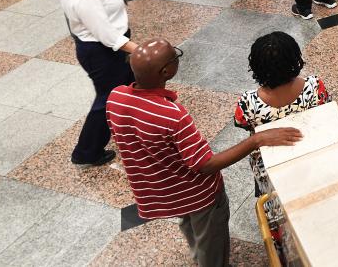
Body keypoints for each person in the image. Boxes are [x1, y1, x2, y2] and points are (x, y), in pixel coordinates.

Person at [107, 39, 302, 267]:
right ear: (166, 71)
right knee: (212, 243)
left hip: (165, 192)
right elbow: (205, 164)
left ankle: (200, 255)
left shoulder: (116, 97)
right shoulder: (173, 116)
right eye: (175, 56)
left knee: (189, 225)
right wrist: (257, 140)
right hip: (199, 196)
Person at [46, 0, 139, 166]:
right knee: (107, 99)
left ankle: (134, 129)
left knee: (130, 88)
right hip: (102, 53)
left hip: (101, 49)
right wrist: (140, 50)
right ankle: (86, 152)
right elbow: (107, 35)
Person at [233, 32, 331, 194]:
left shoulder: (248, 101)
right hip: (314, 161)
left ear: (256, 66)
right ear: (295, 59)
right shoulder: (314, 86)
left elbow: (242, 123)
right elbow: (326, 109)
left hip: (273, 173)